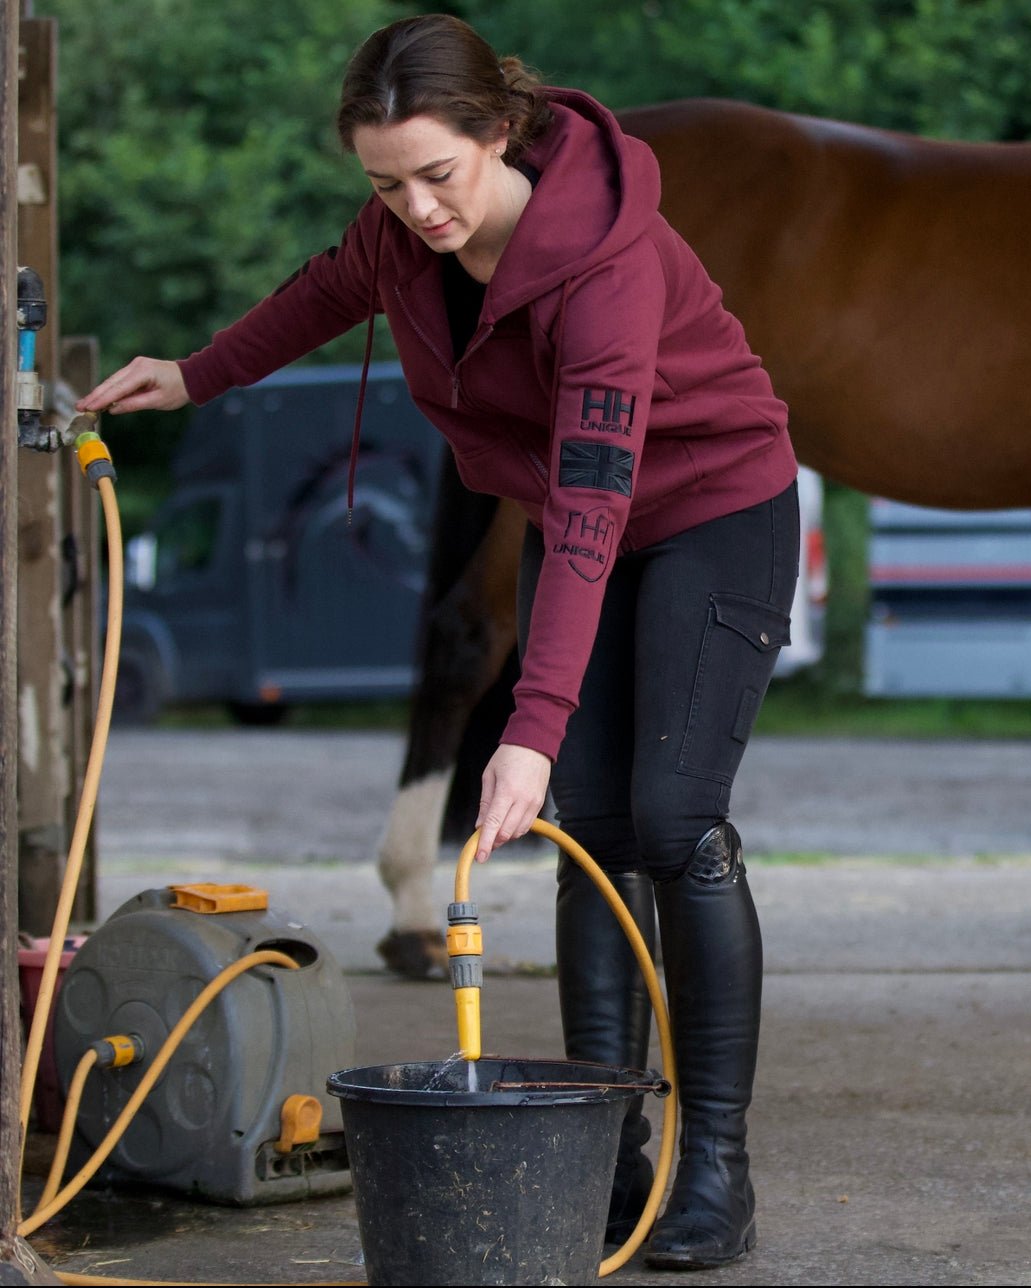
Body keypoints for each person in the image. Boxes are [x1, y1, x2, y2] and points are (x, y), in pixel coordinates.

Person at [77, 13, 799, 1270]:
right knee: (595, 831)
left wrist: (527, 725)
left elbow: (583, 503)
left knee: (674, 821)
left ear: (501, 133)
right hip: (599, 529)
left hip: (712, 509)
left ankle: (716, 1172)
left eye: (436, 176)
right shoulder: (404, 236)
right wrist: (195, 375)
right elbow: (322, 290)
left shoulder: (603, 266)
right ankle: (608, 1156)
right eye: (384, 183)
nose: (413, 209)